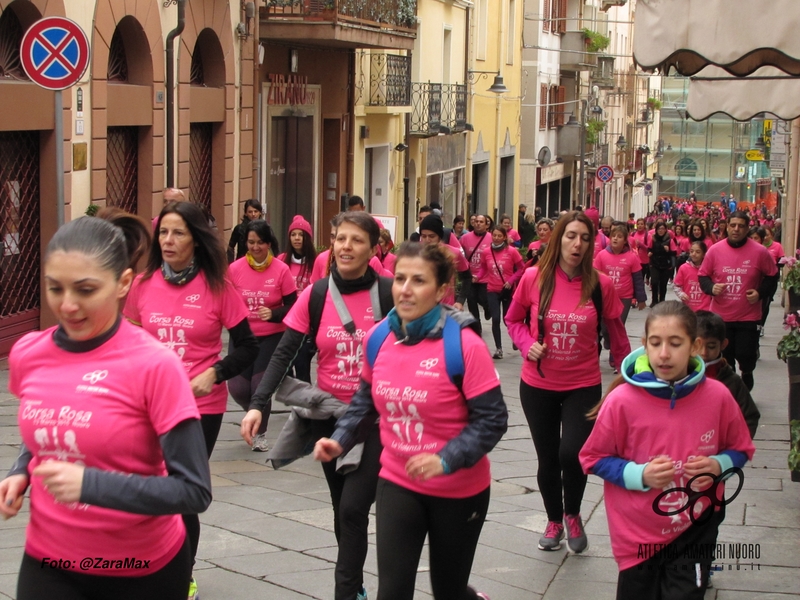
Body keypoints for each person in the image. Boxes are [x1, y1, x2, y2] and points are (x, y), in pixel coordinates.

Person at [1, 217, 212, 600]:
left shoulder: (155, 365)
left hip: (140, 570)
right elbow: (48, 427)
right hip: (50, 561)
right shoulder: (28, 353)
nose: (67, 305)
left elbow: (194, 491)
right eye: (55, 288)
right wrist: (21, 472)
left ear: (123, 284)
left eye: (85, 290)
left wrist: (90, 485)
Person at [314, 241, 507, 600]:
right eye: (400, 278)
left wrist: (445, 459)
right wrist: (340, 438)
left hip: (459, 490)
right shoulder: (378, 338)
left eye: (418, 280)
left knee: (448, 591)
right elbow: (365, 401)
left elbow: (493, 420)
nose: (405, 288)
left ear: (441, 289)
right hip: (398, 480)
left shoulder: (463, 345)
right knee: (392, 591)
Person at [241, 212, 391, 600]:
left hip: (376, 419)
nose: (345, 247)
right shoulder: (317, 294)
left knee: (355, 508)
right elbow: (284, 352)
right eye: (340, 238)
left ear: (374, 248)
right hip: (328, 418)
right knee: (343, 508)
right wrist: (259, 405)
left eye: (356, 240)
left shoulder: (391, 294)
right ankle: (354, 583)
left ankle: (345, 593)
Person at [124, 201, 258, 598]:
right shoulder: (142, 284)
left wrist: (214, 374)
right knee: (150, 488)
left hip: (199, 407)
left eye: (178, 233)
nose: (168, 240)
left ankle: (183, 575)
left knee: (182, 490)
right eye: (163, 232)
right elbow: (127, 342)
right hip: (148, 404)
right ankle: (149, 564)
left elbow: (248, 347)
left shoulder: (219, 288)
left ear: (196, 240)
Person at [580, 301, 755, 600]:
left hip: (696, 526)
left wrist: (719, 465)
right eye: (655, 343)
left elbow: (741, 448)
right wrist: (639, 474)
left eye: (675, 343)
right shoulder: (622, 400)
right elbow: (592, 458)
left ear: (695, 346)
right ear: (644, 345)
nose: (664, 354)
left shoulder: (718, 396)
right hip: (637, 534)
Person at [505, 211, 631, 553]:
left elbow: (617, 334)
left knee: (572, 453)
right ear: (558, 239)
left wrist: (631, 373)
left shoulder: (601, 284)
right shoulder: (534, 278)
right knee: (547, 458)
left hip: (583, 384)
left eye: (585, 238)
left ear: (592, 244)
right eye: (571, 236)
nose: (577, 244)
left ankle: (573, 513)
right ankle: (554, 521)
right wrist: (527, 344)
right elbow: (513, 319)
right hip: (538, 386)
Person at [228, 219, 297, 451]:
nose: (255, 247)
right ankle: (253, 413)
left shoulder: (281, 270)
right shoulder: (235, 269)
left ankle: (259, 433)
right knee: (237, 389)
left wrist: (275, 313)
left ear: (268, 243)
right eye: (250, 242)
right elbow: (226, 303)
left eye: (260, 242)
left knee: (260, 387)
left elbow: (293, 307)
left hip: (271, 337)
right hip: (243, 337)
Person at [698, 211, 778, 391]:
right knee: (726, 357)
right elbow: (703, 276)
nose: (736, 229)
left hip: (749, 315)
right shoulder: (715, 250)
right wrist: (711, 288)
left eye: (741, 226)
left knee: (745, 354)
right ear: (727, 226)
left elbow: (772, 277)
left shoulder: (760, 252)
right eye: (733, 225)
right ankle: (732, 393)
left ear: (747, 228)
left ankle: (747, 373)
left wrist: (759, 293)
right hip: (721, 315)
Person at [696, 310, 760, 437]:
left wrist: (736, 450)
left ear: (723, 344)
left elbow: (750, 417)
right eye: (698, 345)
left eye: (711, 346)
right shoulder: (679, 376)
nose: (704, 352)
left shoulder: (732, 381)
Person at [593, 223, 647, 371]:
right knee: (605, 328)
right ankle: (609, 343)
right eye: (613, 236)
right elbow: (595, 277)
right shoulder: (602, 255)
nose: (615, 239)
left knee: (618, 326)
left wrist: (641, 298)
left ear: (625, 240)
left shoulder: (631, 257)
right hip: (605, 298)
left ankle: (615, 357)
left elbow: (637, 279)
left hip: (624, 298)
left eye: (619, 236)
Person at [277, 215, 317, 383]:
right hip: (285, 324)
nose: (297, 238)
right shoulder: (281, 260)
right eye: (293, 235)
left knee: (302, 365)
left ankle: (304, 406)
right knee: (285, 368)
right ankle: (295, 401)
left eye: (301, 235)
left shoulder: (315, 262)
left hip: (307, 326)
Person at [476, 225, 524, 358]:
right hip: (492, 289)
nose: (496, 238)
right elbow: (483, 268)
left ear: (504, 237)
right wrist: (477, 277)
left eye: (499, 236)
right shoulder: (486, 252)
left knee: (507, 319)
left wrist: (511, 281)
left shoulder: (512, 251)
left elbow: (521, 268)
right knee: (495, 318)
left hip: (507, 290)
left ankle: (515, 340)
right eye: (494, 235)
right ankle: (498, 349)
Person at [418, 214, 472, 308]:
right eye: (424, 236)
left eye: (431, 236)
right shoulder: (414, 254)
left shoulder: (453, 253)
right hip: (421, 307)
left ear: (439, 236)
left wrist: (460, 301)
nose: (427, 240)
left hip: (446, 309)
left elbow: (467, 277)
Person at [460, 214, 492, 334]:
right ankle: (477, 327)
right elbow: (460, 254)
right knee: (472, 302)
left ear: (486, 224)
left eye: (481, 222)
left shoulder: (491, 238)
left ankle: (487, 308)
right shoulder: (465, 238)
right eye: (476, 221)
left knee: (483, 299)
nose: (478, 224)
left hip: (486, 277)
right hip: (470, 276)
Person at [674, 241, 712, 312]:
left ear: (704, 254)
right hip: (688, 308)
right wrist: (681, 294)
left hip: (706, 309)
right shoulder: (683, 268)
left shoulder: (709, 269)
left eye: (698, 252)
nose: (694, 254)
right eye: (691, 251)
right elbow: (676, 286)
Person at [648, 220, 677, 307]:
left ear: (665, 230)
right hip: (655, 263)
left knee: (663, 284)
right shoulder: (653, 239)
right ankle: (654, 300)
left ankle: (662, 300)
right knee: (654, 281)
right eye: (659, 229)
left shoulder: (669, 240)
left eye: (663, 229)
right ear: (656, 230)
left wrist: (668, 251)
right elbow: (649, 248)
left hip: (665, 264)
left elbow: (674, 253)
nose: (661, 230)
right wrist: (649, 253)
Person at [631, 218, 651, 286]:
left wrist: (641, 244)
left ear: (644, 225)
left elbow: (649, 248)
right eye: (638, 224)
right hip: (634, 260)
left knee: (640, 280)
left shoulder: (647, 235)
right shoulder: (633, 234)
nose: (640, 226)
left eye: (641, 224)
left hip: (644, 261)